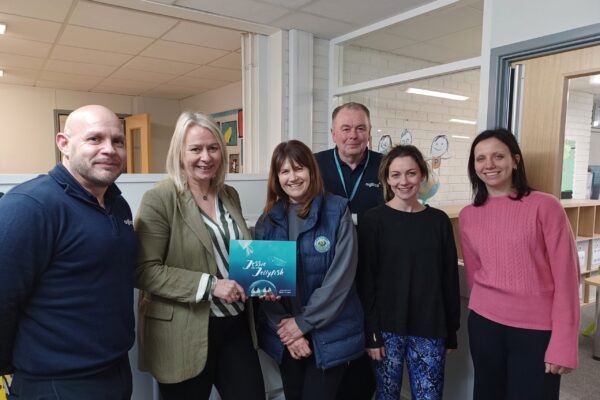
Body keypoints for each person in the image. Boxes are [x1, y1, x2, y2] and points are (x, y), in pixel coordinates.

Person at [0, 105, 136, 399]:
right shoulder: (29, 206)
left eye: (118, 141)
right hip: (56, 382)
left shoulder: (117, 204)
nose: (109, 149)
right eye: (95, 139)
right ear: (64, 143)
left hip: (115, 369)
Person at [134, 111, 264, 400]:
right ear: (180, 153)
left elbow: (236, 252)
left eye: (213, 147)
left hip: (236, 324)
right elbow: (144, 270)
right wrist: (211, 285)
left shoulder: (229, 194)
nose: (205, 157)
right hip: (184, 331)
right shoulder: (160, 199)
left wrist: (262, 280)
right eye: (195, 149)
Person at [459, 128, 580, 400]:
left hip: (536, 332)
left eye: (498, 156)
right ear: (473, 166)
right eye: (480, 159)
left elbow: (567, 280)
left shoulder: (545, 206)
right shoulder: (468, 215)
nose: (489, 165)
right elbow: (475, 276)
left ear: (515, 160)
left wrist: (563, 343)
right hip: (485, 326)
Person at [255, 140, 364, 400]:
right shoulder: (268, 220)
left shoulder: (337, 210)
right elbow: (263, 283)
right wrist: (289, 333)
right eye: (284, 171)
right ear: (276, 177)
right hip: (287, 337)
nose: (292, 177)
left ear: (311, 171)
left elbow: (340, 279)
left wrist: (303, 324)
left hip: (329, 334)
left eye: (299, 168)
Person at [358, 145, 460, 400]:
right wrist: (371, 334)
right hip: (386, 330)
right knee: (386, 395)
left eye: (411, 173)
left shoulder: (438, 221)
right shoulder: (372, 221)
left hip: (431, 328)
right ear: (386, 179)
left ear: (423, 175)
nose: (404, 181)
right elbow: (365, 283)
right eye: (396, 175)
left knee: (429, 396)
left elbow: (449, 279)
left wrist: (451, 331)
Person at [314, 102, 382, 399]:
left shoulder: (385, 166)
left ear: (369, 132)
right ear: (333, 133)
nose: (352, 135)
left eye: (360, 128)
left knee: (365, 365)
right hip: (327, 272)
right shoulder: (314, 165)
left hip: (373, 271)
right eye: (345, 128)